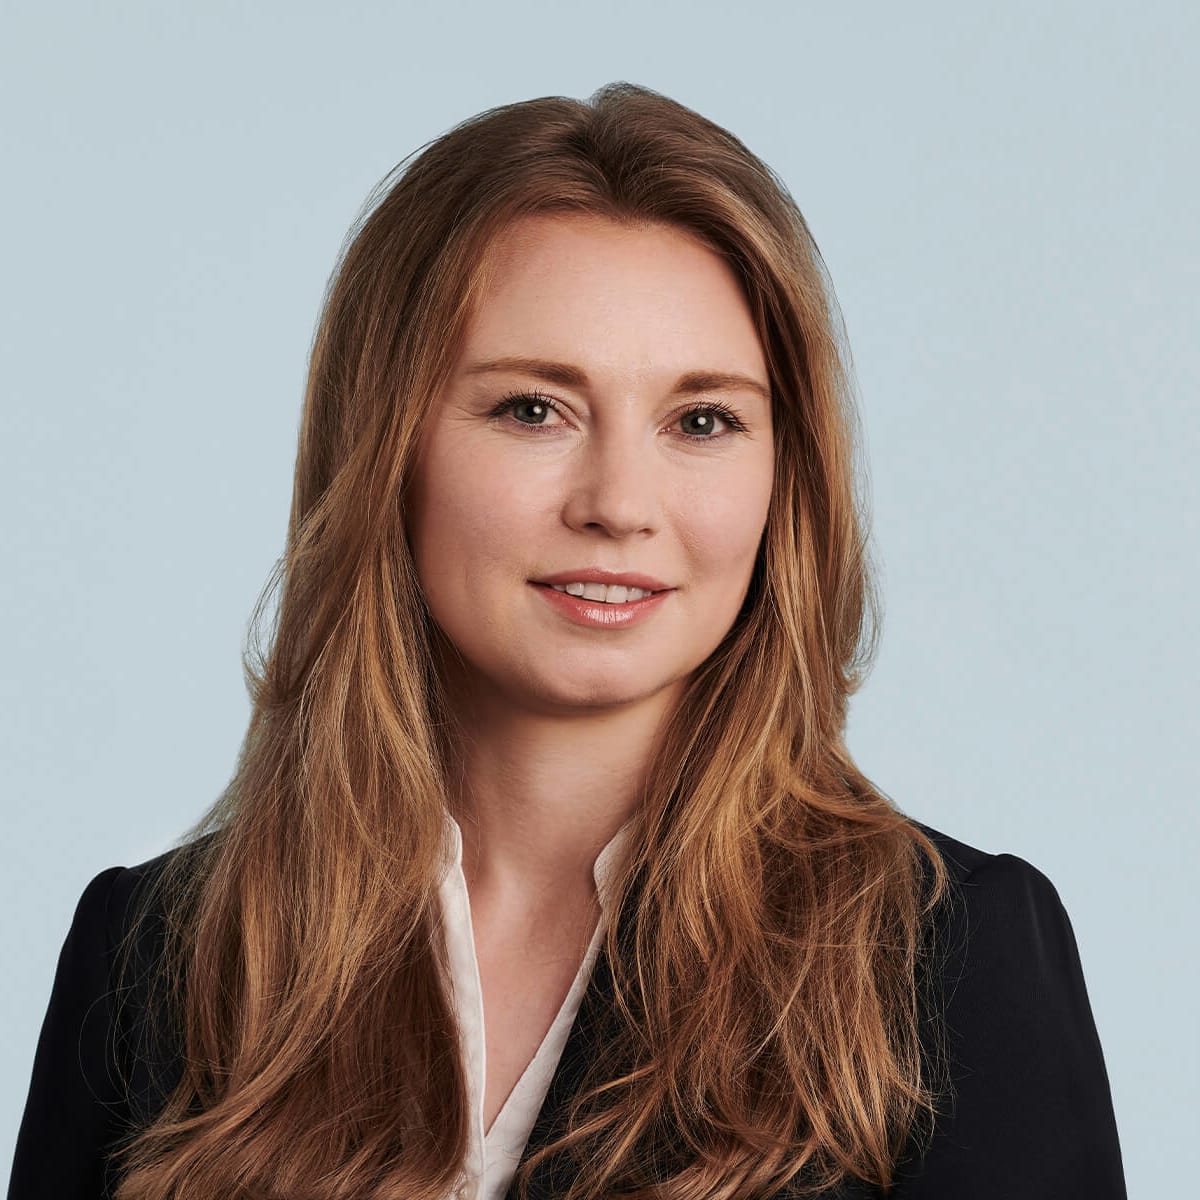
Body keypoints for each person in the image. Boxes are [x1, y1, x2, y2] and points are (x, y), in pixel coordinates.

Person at [8, 82, 1127, 1200]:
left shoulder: (948, 958)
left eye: (703, 421)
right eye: (533, 409)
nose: (618, 505)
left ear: (785, 478)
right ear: (385, 447)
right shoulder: (154, 954)